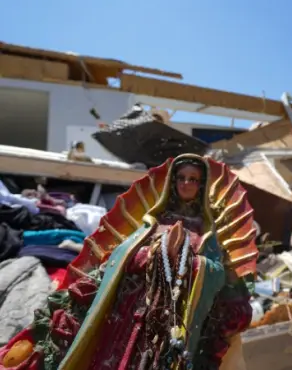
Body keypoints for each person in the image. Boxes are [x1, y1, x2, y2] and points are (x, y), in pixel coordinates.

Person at [0, 154, 258, 370]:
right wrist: (151, 254)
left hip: (175, 320)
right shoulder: (153, 222)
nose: (186, 184)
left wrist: (188, 260)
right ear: (172, 182)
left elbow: (214, 273)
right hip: (127, 313)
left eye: (193, 179)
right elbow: (122, 256)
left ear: (201, 185)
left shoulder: (207, 233)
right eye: (181, 178)